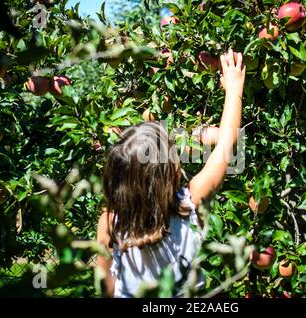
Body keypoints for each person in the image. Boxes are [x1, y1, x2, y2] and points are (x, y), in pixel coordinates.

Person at [96, 49, 246, 297]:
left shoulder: (111, 222)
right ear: (171, 169)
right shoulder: (190, 204)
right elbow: (227, 144)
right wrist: (234, 87)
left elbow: (107, 288)